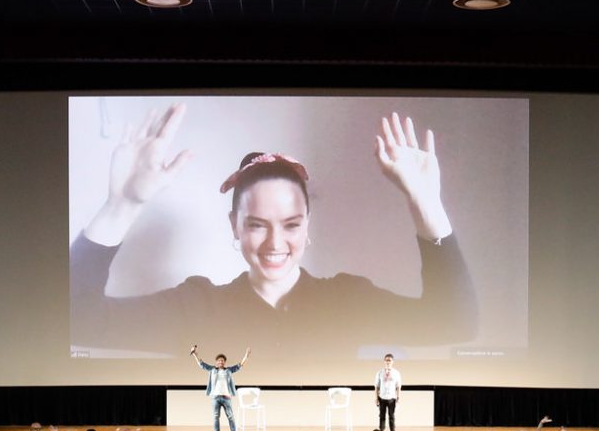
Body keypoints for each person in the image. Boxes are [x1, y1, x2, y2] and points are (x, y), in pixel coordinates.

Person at [70, 105, 477, 354]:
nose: (275, 243)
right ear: (235, 226)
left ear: (307, 226)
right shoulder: (196, 307)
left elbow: (455, 322)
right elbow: (79, 320)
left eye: (291, 224)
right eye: (257, 225)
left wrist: (426, 202)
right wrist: (121, 204)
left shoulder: (347, 300)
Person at [191, 345, 248, 431]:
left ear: (224, 362)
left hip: (226, 397)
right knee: (216, 416)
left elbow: (239, 366)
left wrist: (246, 356)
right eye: (219, 360)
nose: (220, 362)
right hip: (215, 397)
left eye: (222, 360)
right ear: (216, 362)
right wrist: (195, 354)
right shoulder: (212, 370)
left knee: (230, 416)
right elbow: (201, 364)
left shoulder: (228, 370)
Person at [374, 353, 403, 431]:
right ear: (384, 361)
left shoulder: (396, 373)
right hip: (382, 397)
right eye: (386, 360)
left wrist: (398, 397)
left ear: (392, 362)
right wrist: (376, 398)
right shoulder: (379, 373)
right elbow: (376, 386)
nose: (388, 362)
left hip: (392, 398)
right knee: (382, 416)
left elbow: (398, 386)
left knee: (392, 416)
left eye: (389, 360)